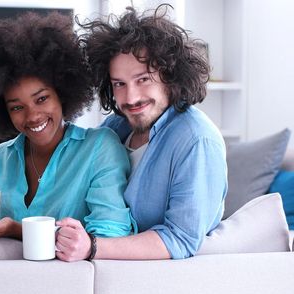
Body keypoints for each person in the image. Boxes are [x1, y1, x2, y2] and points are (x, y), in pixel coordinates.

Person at [0, 11, 135, 247]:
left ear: (62, 94)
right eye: (17, 107)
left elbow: (109, 234)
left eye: (41, 99)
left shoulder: (99, 148)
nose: (32, 116)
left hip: (74, 280)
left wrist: (15, 229)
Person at [54, 5, 227, 261]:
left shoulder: (197, 140)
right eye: (119, 84)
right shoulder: (116, 127)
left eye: (143, 79)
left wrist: (92, 247)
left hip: (156, 284)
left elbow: (180, 239)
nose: (131, 97)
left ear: (169, 75)